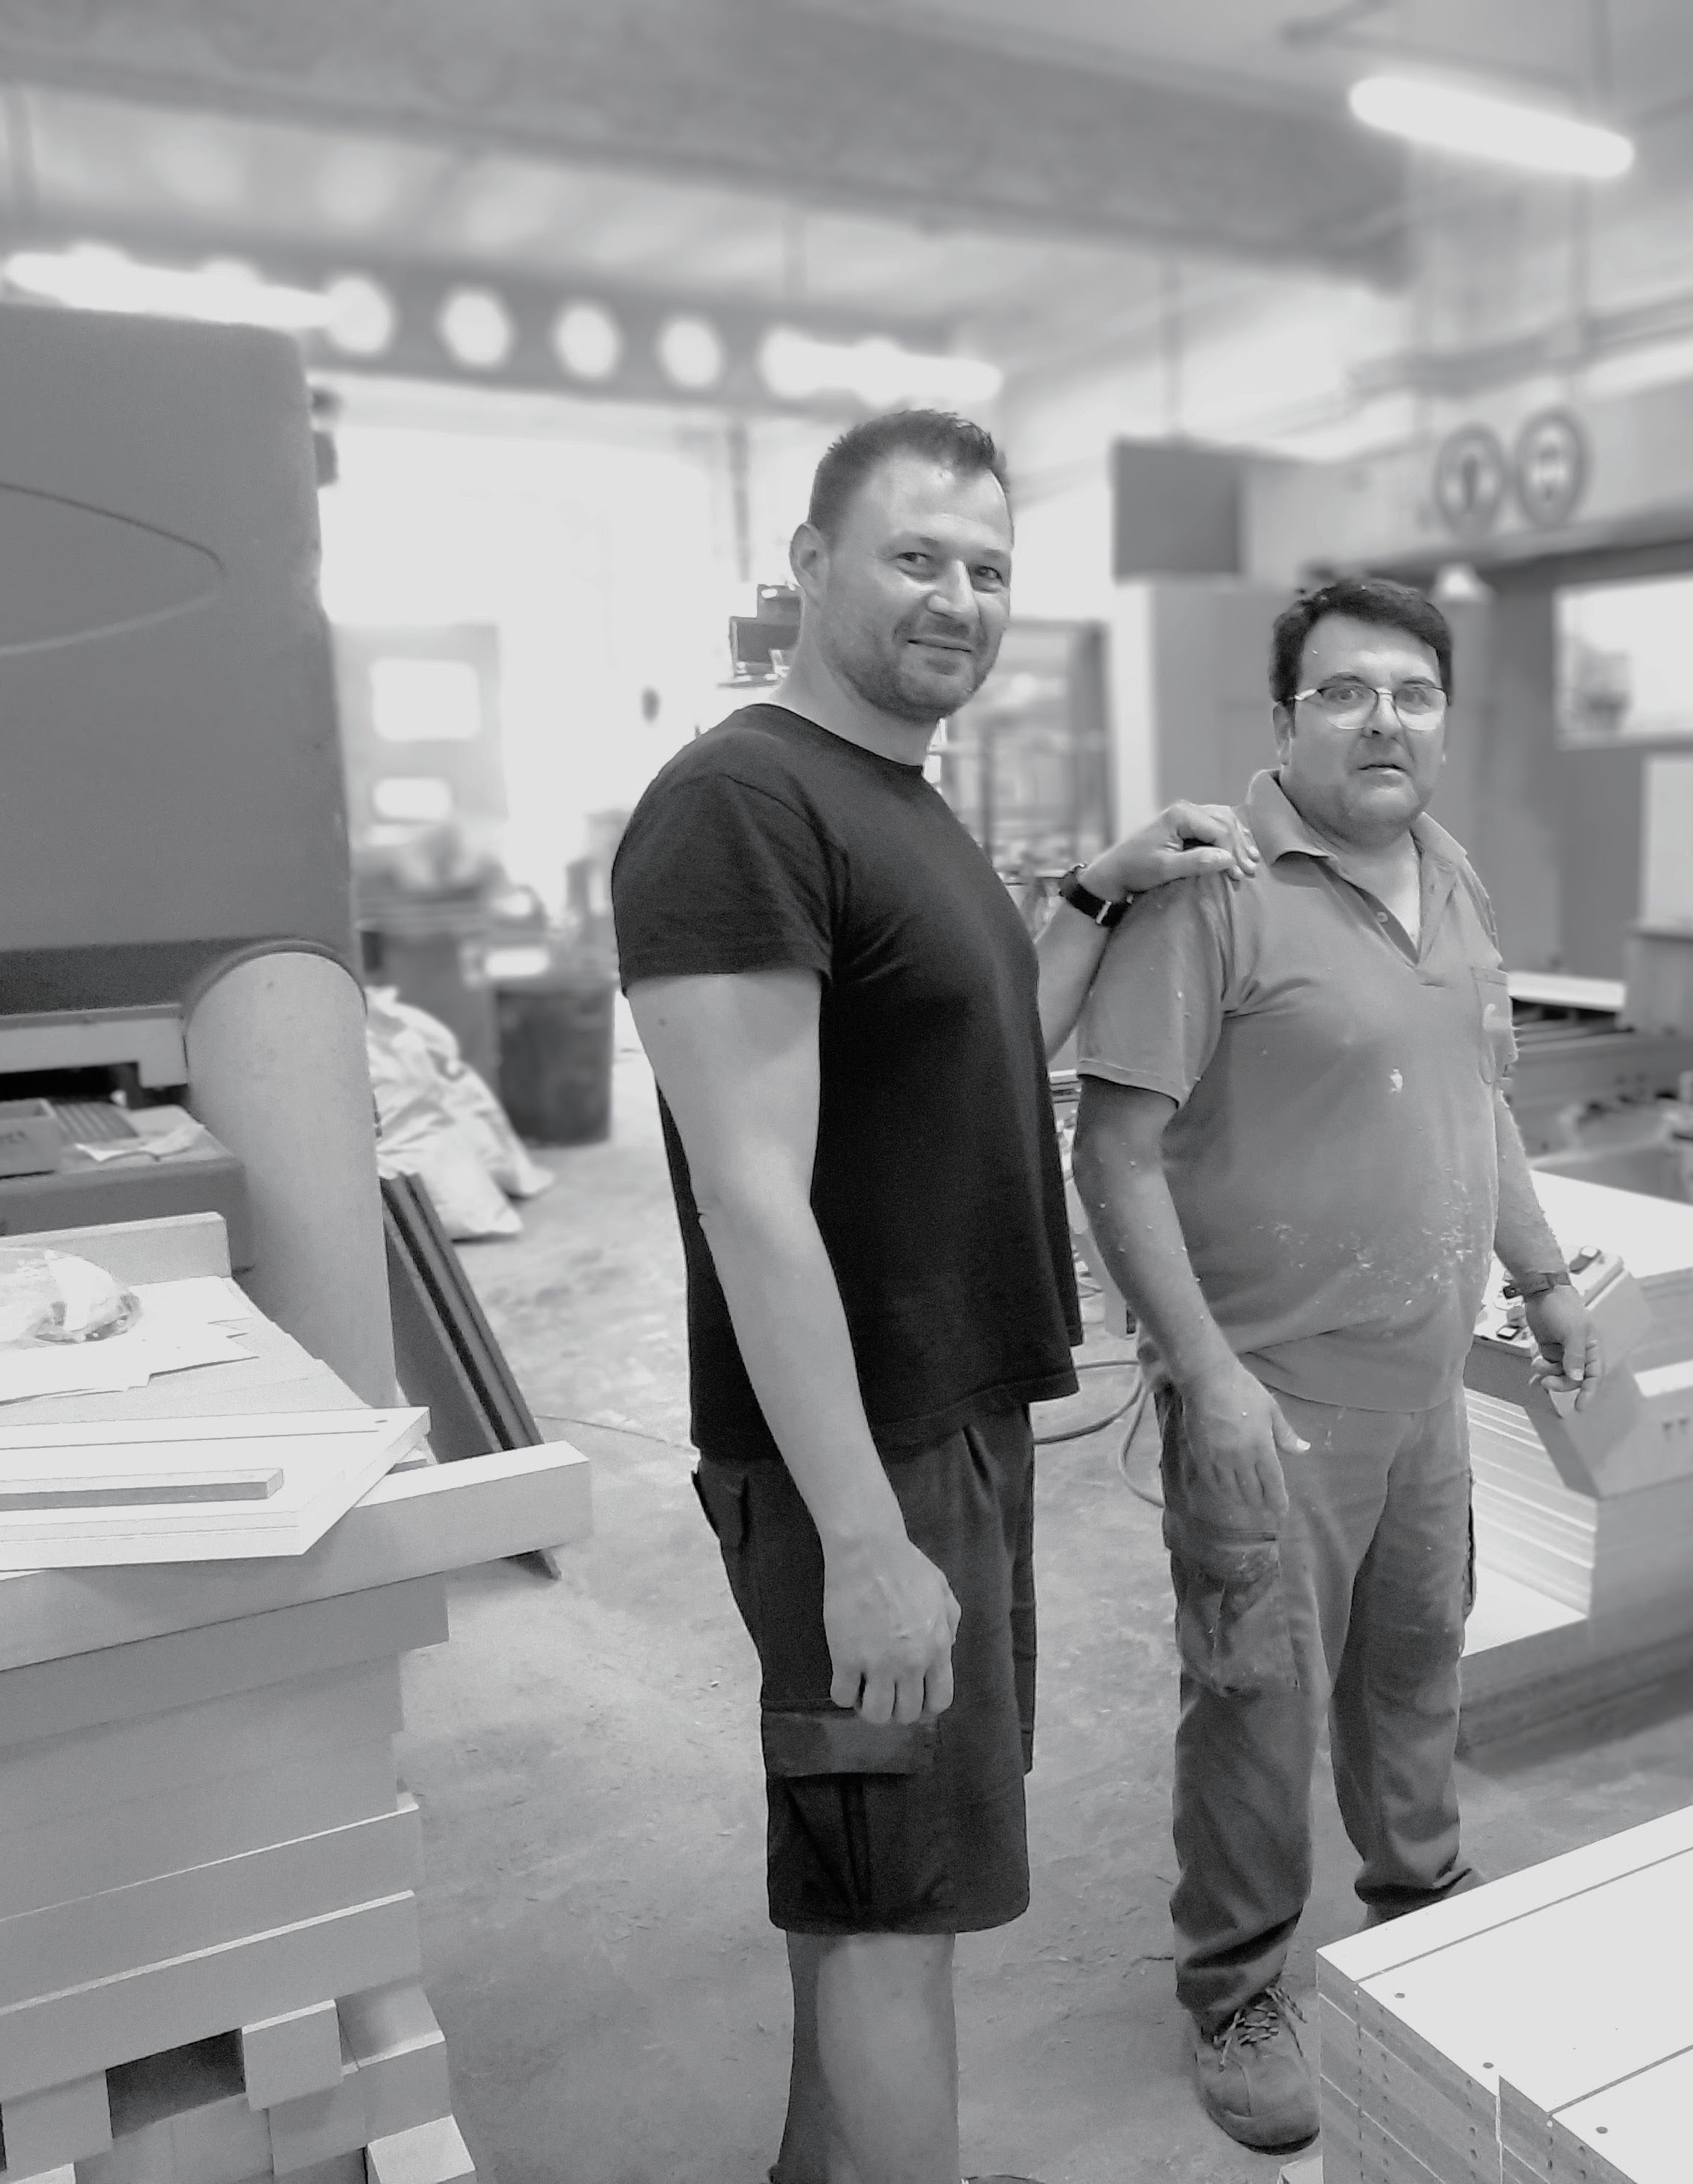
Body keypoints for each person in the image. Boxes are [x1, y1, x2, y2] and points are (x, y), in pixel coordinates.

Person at [611, 407, 1259, 2184]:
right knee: (903, 1917)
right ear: (808, 566)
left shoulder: (895, 802)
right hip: (863, 1459)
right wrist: (863, 1545)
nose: (956, 597)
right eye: (914, 556)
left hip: (941, 1424)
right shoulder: (743, 804)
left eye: (987, 569)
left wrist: (1094, 900)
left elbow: (980, 1068)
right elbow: (750, 1199)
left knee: (875, 1878)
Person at [1070, 577, 1606, 2154]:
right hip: (1271, 1392)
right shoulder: (1210, 892)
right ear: (1288, 719)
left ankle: (1425, 1906)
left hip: (1421, 1382)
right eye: (1346, 691)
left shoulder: (1451, 880)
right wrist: (1207, 1373)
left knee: (1414, 1663)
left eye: (1415, 693)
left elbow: (1478, 1102)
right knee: (1256, 1697)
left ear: (1445, 717)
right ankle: (1235, 1983)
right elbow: (1115, 1152)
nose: (1385, 720)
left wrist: (1545, 1274)